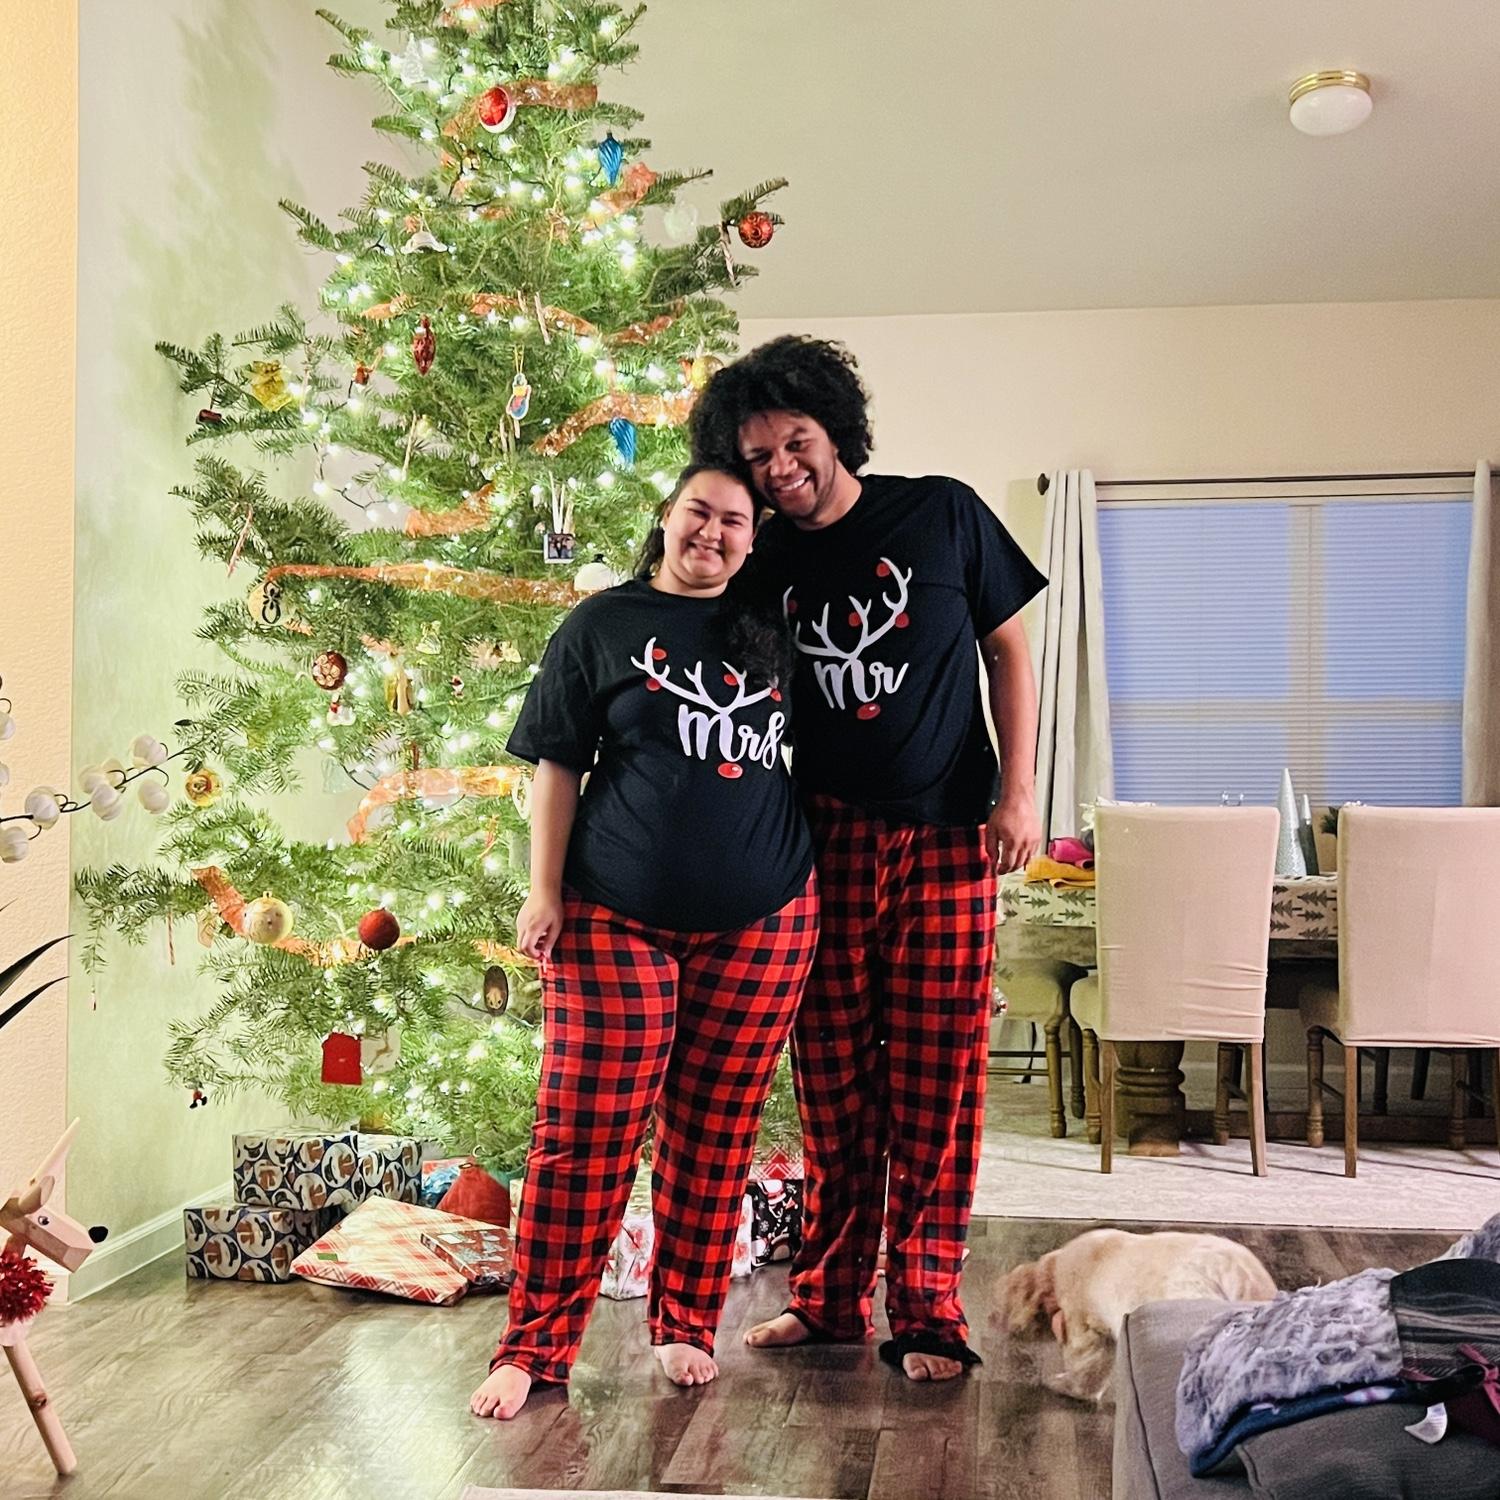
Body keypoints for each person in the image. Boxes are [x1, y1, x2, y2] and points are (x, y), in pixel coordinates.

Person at [690, 336, 1047, 1380]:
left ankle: (929, 1310)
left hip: (949, 837)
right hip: (824, 842)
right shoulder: (762, 557)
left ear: (834, 429)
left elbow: (1009, 649)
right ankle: (829, 1299)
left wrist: (1019, 791)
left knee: (939, 1081)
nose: (780, 468)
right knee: (834, 1080)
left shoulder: (943, 513)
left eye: (795, 441)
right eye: (756, 456)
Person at [470, 465, 818, 1420]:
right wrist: (543, 890)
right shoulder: (601, 625)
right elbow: (556, 766)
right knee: (584, 1134)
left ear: (754, 537)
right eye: (698, 511)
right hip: (613, 915)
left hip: (764, 921)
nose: (713, 531)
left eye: (735, 521)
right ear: (666, 518)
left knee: (715, 1134)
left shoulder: (776, 628)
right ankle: (535, 1347)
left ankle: (685, 1325)